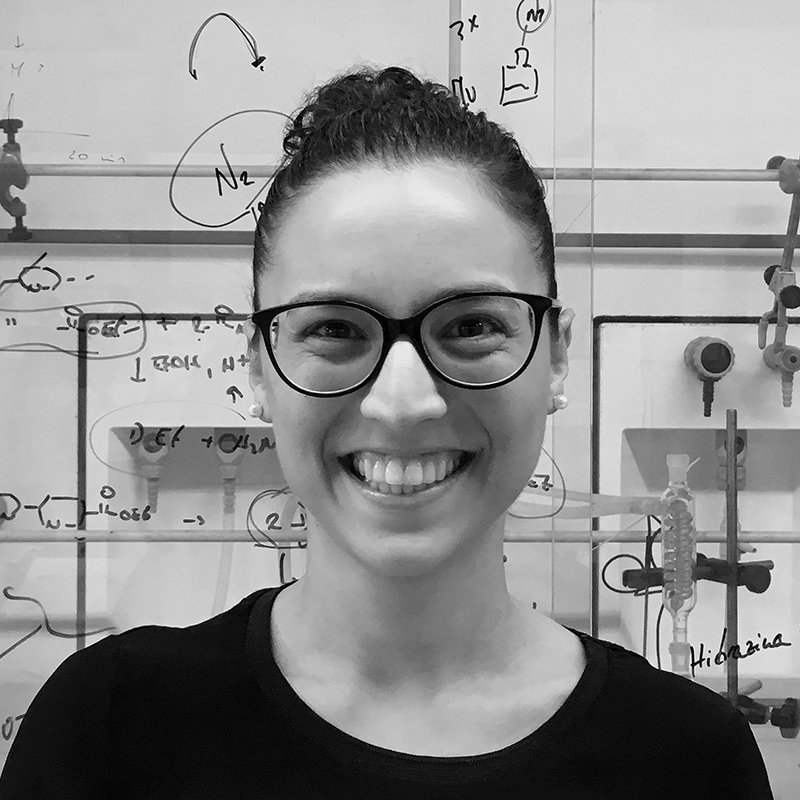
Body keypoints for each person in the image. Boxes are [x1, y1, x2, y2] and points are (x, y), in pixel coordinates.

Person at [0, 65, 774, 799]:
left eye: (471, 324)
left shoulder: (686, 757)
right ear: (259, 364)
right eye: (335, 328)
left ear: (556, 355)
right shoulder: (110, 727)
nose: (403, 403)